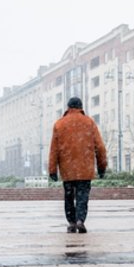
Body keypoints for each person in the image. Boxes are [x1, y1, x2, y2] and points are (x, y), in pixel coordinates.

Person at [48, 97, 107, 233]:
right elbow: (100, 147)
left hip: (67, 168)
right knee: (82, 196)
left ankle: (71, 222)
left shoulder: (59, 124)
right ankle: (80, 220)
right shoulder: (89, 122)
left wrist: (52, 170)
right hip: (85, 168)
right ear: (81, 107)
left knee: (69, 196)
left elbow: (54, 149)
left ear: (68, 107)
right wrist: (102, 167)